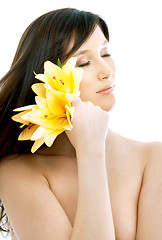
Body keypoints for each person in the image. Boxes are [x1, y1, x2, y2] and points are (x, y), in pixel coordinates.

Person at [0, 8, 162, 240]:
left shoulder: (153, 158)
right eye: (84, 63)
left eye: (105, 53)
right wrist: (90, 150)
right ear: (47, 81)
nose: (107, 71)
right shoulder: (18, 171)